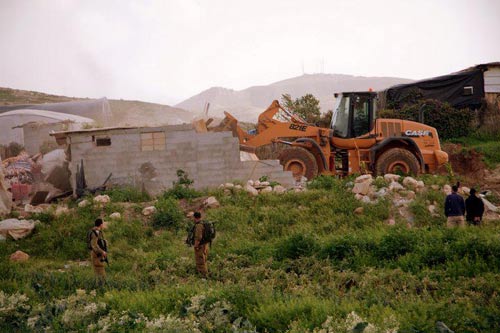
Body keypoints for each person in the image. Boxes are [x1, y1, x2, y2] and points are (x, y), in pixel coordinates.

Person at [89, 218, 107, 285]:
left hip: (97, 255)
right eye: (103, 223)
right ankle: (101, 288)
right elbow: (94, 245)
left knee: (98, 273)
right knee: (101, 273)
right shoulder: (96, 232)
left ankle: (99, 287)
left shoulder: (95, 231)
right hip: (97, 256)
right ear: (101, 224)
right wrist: (102, 252)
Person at [192, 211, 209, 278]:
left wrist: (196, 246)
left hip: (200, 246)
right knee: (204, 260)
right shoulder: (203, 223)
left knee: (200, 261)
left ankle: (203, 276)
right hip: (205, 245)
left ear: (195, 217)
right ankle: (205, 273)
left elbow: (198, 237)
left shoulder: (199, 225)